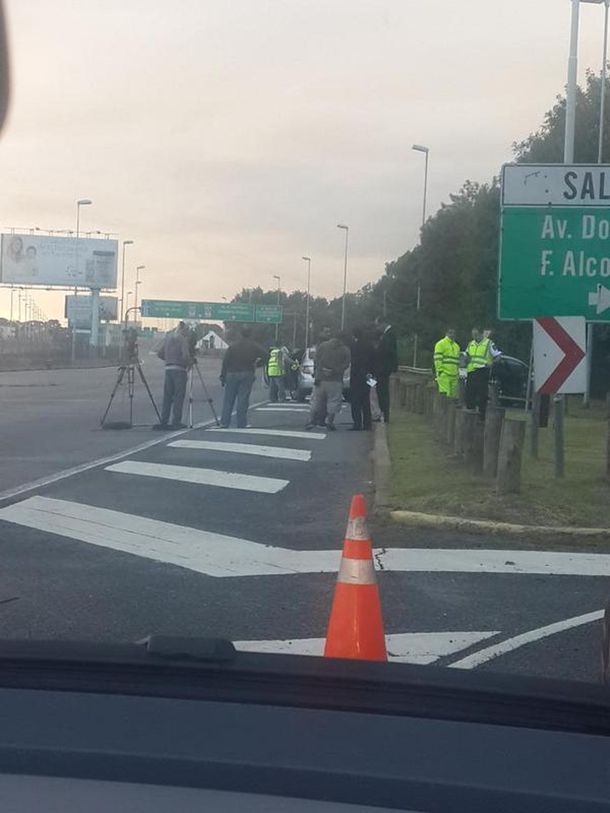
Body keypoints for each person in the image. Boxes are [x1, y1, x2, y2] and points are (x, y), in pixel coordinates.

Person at [220, 326, 266, 428]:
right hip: (247, 373)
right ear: (250, 334)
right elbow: (266, 355)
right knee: (243, 399)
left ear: (240, 334)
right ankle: (241, 423)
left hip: (231, 374)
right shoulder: (254, 346)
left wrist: (223, 376)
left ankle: (224, 422)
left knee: (228, 400)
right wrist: (257, 364)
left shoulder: (233, 346)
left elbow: (225, 362)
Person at [306, 328, 350, 431]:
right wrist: (335, 370)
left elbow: (316, 360)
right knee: (333, 402)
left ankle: (311, 421)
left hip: (320, 379)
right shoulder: (345, 350)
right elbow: (346, 364)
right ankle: (329, 422)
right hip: (336, 380)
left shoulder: (323, 346)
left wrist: (321, 370)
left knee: (316, 401)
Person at [153, 321, 193, 430]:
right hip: (179, 370)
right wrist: (189, 362)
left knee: (167, 396)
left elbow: (159, 353)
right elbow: (185, 356)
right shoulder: (182, 340)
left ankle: (164, 420)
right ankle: (176, 421)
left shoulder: (168, 338)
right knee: (178, 397)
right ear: (184, 330)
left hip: (168, 369)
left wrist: (169, 359)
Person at [464, 327, 502, 420]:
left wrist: (492, 363)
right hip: (471, 372)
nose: (474, 337)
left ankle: (481, 419)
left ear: (481, 334)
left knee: (482, 397)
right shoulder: (471, 344)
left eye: (476, 334)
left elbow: (498, 356)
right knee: (469, 396)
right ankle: (470, 418)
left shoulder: (489, 343)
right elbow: (466, 355)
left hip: (482, 372)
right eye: (473, 335)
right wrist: (465, 359)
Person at [373, 316, 398, 424]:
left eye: (378, 325)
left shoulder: (389, 335)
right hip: (383, 368)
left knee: (383, 392)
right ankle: (383, 413)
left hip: (384, 368)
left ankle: (385, 415)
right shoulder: (387, 335)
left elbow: (389, 351)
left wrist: (377, 351)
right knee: (381, 391)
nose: (377, 328)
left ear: (383, 324)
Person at [349, 325, 375, 431]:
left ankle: (357, 423)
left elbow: (354, 361)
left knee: (355, 401)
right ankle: (367, 423)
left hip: (356, 375)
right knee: (366, 400)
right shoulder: (369, 345)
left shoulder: (355, 346)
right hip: (367, 376)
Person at [433, 328, 460, 398]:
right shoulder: (440, 344)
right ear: (446, 333)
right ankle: (443, 409)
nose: (452, 334)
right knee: (445, 397)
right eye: (450, 332)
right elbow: (437, 359)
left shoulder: (457, 346)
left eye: (453, 333)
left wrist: (457, 373)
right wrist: (440, 371)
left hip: (454, 375)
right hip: (444, 374)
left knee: (453, 397)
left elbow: (457, 361)